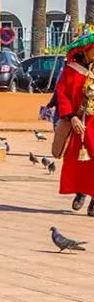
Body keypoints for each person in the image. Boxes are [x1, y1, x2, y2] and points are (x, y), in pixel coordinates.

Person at [53, 24, 94, 214]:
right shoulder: (71, 71)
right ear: (85, 50)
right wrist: (71, 118)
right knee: (77, 159)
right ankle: (80, 191)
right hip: (78, 122)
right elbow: (62, 95)